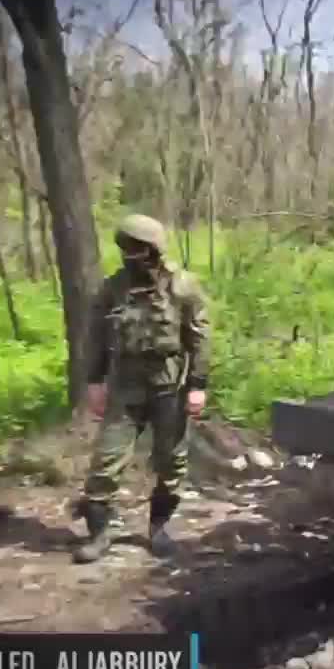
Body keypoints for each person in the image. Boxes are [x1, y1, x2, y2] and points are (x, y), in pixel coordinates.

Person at [74, 214, 210, 564]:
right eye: (124, 248)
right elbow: (96, 338)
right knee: (106, 462)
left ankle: (159, 527)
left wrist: (198, 385)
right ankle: (100, 532)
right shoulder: (112, 288)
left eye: (135, 249)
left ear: (152, 250)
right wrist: (93, 382)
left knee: (171, 462)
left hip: (169, 387)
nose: (128, 256)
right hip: (125, 388)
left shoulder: (183, 286)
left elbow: (199, 338)